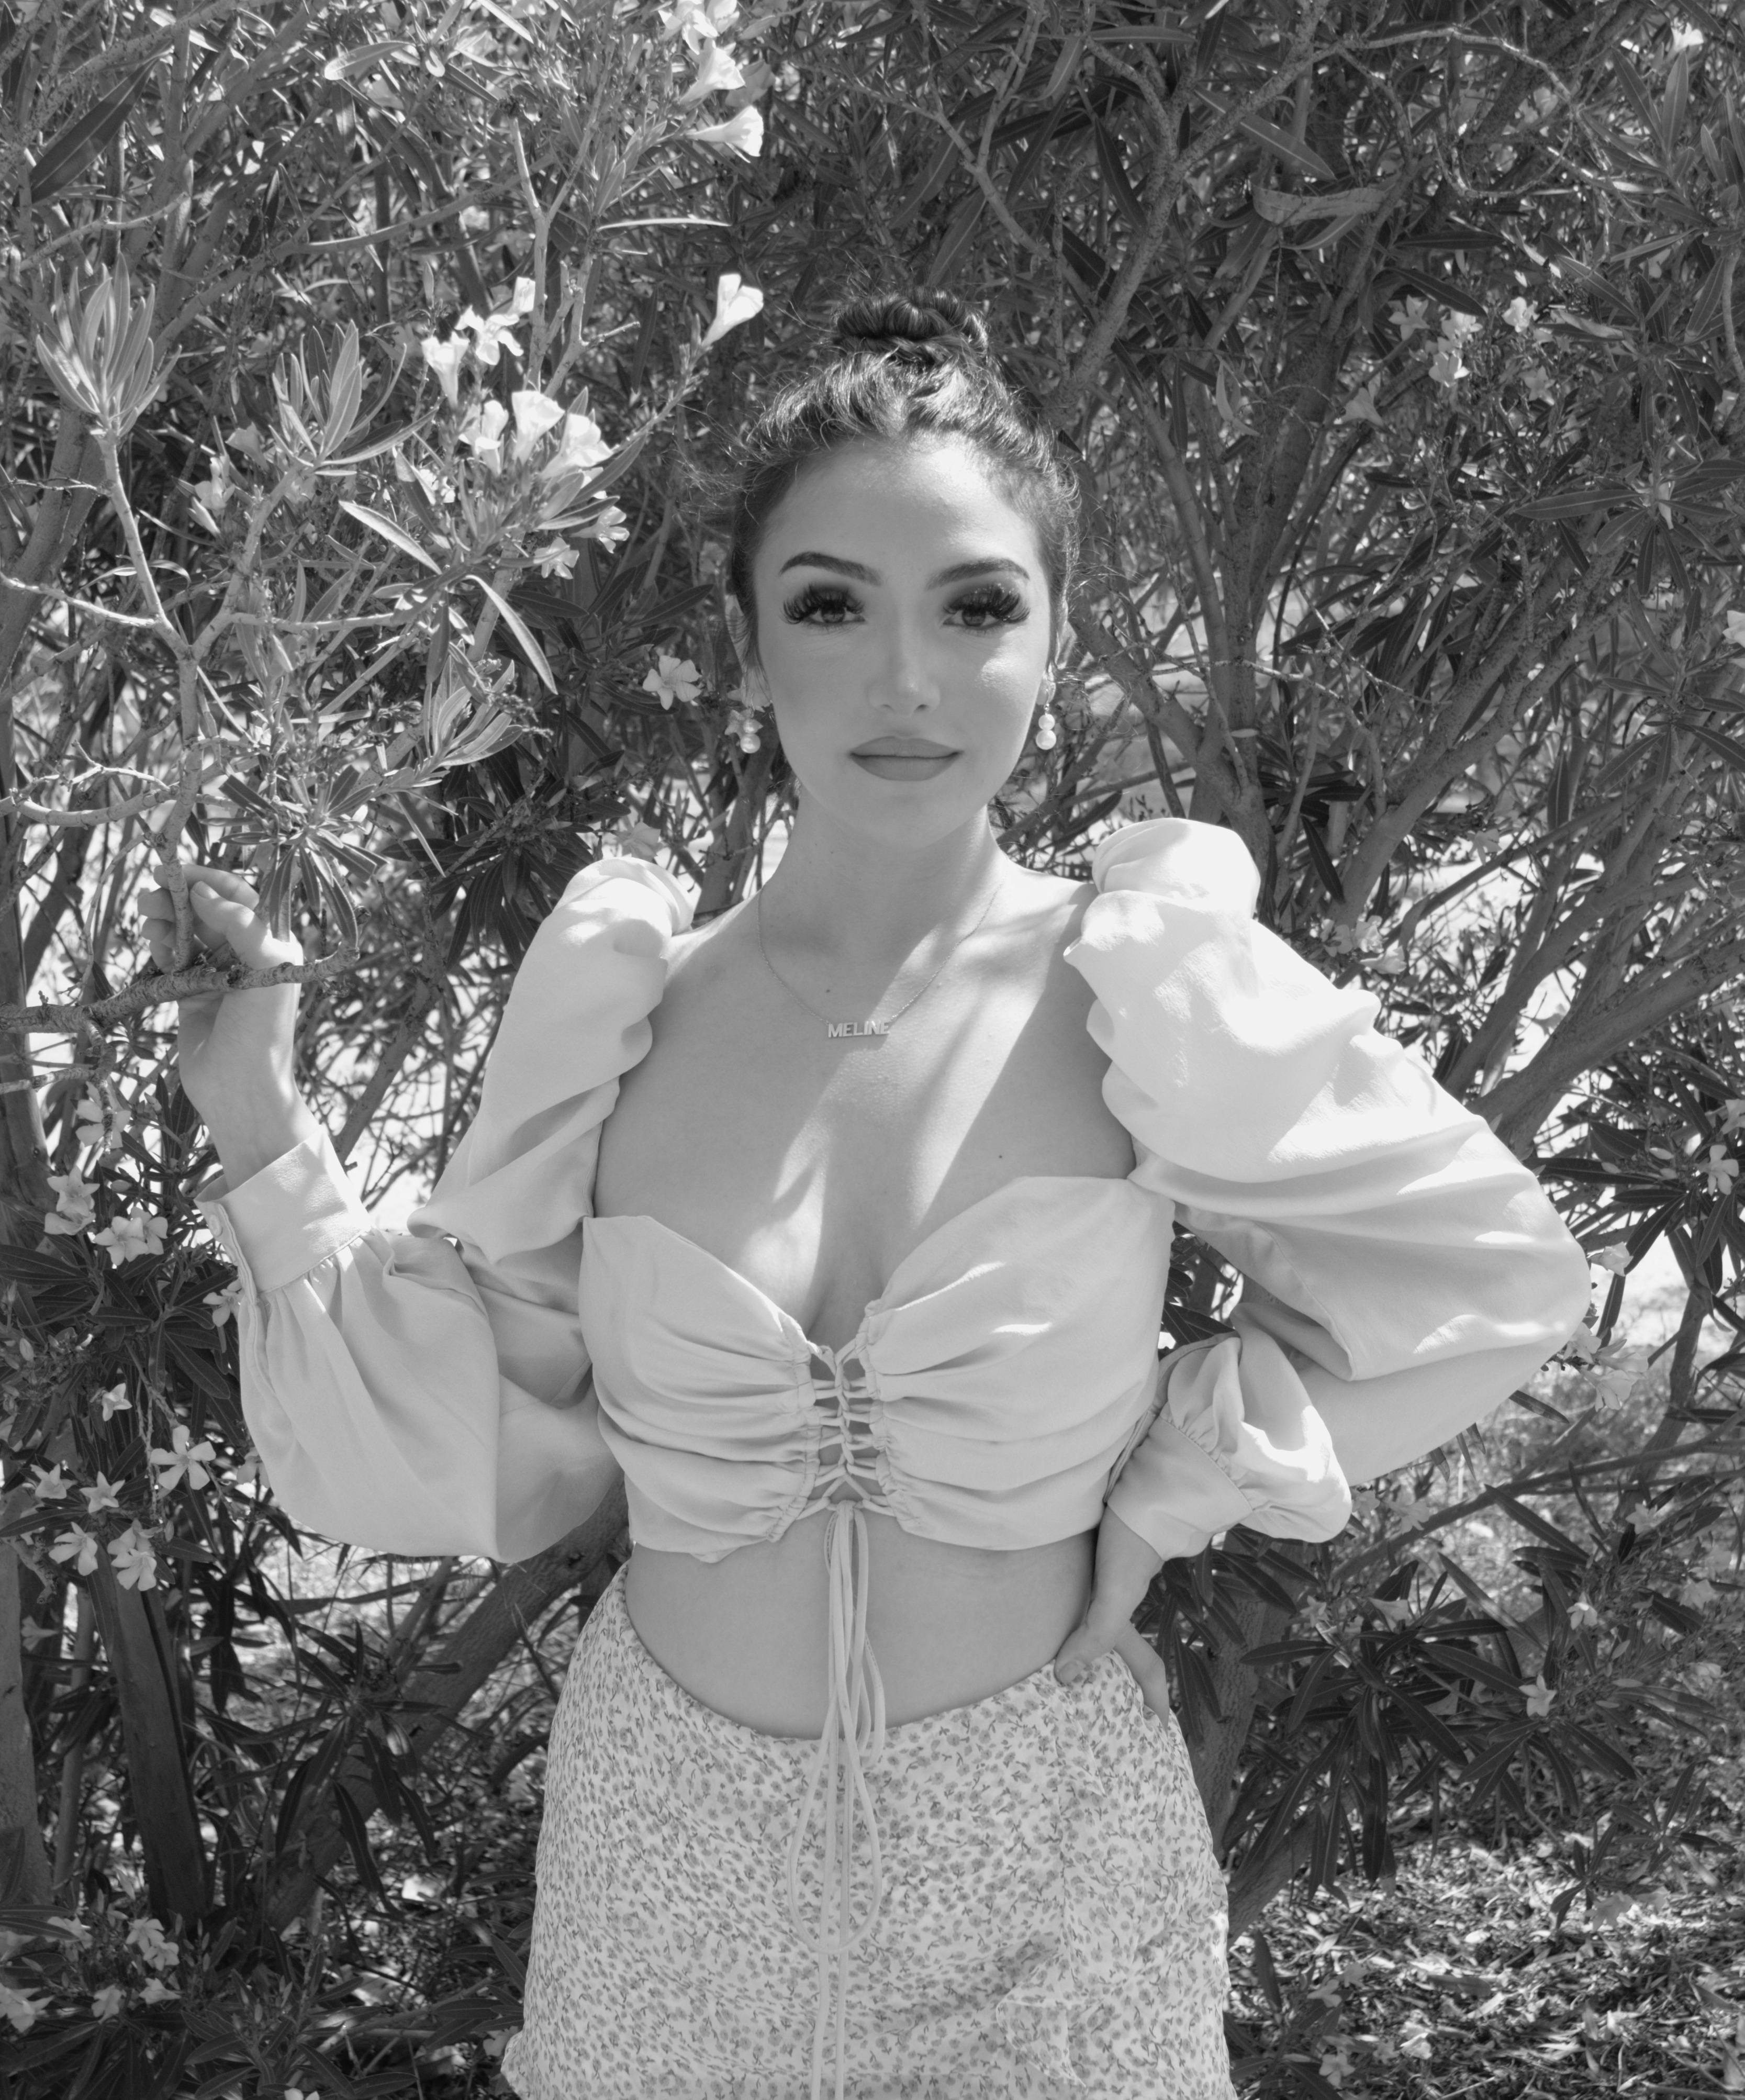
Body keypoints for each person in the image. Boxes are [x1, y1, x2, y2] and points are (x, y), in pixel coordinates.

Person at [140, 287, 1592, 2099]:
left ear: (1056, 641)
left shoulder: (1147, 994)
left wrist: (1170, 1488)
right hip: (670, 1865)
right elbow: (465, 1430)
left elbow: (1487, 1282)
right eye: (832, 605)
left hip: (1044, 1860)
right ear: (749, 650)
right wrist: (259, 1119)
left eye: (976, 606)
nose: (908, 678)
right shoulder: (618, 1013)